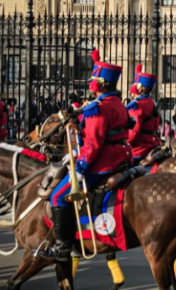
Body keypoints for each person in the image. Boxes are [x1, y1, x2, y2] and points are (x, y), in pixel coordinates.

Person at [38, 50, 132, 261]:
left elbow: (95, 143)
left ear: (101, 84)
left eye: (93, 81)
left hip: (104, 162)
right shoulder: (117, 103)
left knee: (57, 196)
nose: (91, 84)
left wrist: (79, 168)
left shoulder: (98, 108)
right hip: (120, 156)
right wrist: (74, 151)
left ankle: (63, 247)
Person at [126, 64, 160, 165]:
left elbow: (133, 133)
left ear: (139, 89)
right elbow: (155, 126)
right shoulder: (150, 103)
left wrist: (122, 142)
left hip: (139, 149)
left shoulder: (136, 106)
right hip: (152, 144)